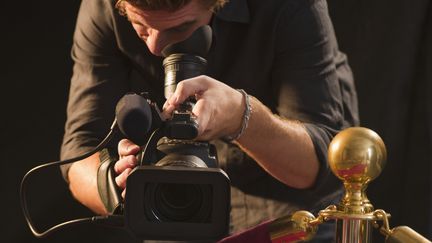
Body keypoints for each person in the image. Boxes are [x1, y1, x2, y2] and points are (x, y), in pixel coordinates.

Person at [60, 0, 359, 241]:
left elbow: (316, 167)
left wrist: (242, 117)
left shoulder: (290, 6)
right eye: (139, 26)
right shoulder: (102, 6)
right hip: (171, 208)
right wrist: (117, 188)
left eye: (182, 27)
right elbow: (78, 154)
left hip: (289, 207)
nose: (154, 46)